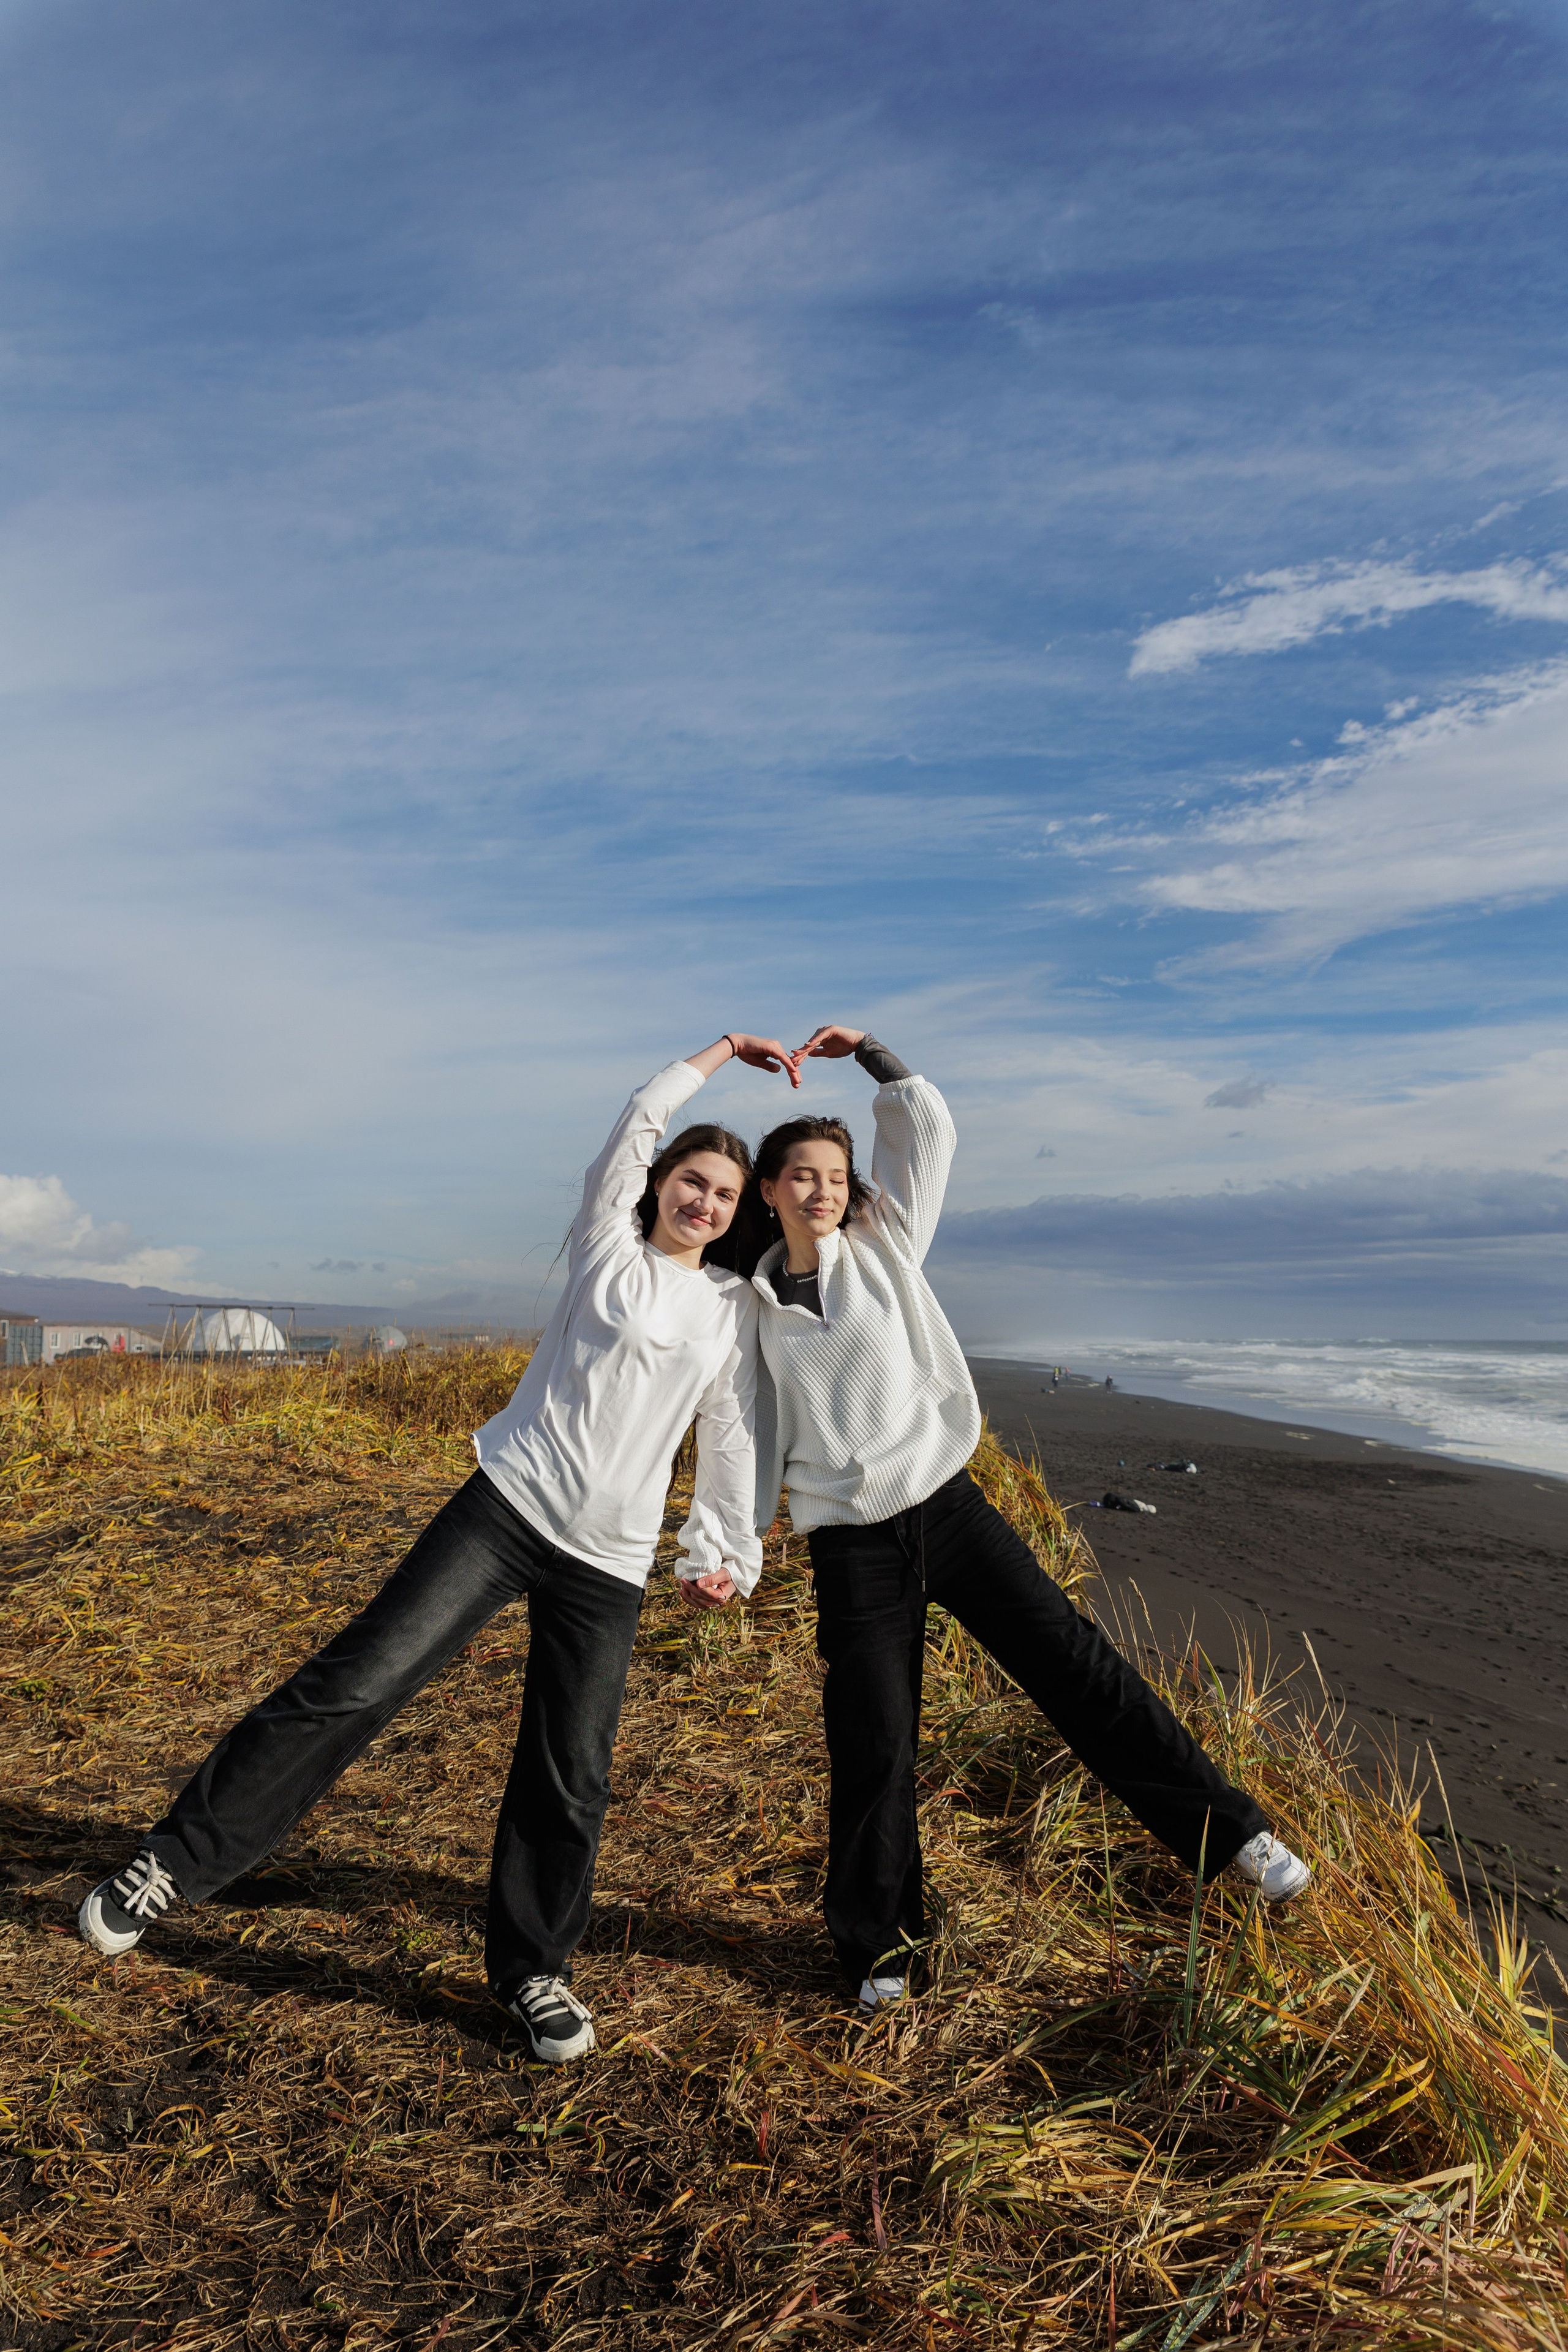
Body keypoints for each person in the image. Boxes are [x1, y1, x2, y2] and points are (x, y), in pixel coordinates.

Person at [78, 1031, 799, 2064]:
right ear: (658, 1186)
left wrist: (718, 1548)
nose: (708, 1203)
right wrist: (722, 1051)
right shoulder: (607, 1244)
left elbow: (734, 1436)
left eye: (726, 1196)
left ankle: (534, 1970)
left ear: (739, 1213)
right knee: (359, 1683)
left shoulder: (729, 1310)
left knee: (571, 1771)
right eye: (694, 1180)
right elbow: (629, 1129)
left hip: (608, 1557)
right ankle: (169, 1865)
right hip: (507, 1505)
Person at [748, 1025, 1311, 2013]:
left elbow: (929, 1130)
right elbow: (741, 1430)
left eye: (835, 1173)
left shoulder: (887, 1248)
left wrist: (872, 1051)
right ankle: (881, 1947)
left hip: (950, 1507)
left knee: (1079, 1669)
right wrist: (732, 1541)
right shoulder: (749, 1304)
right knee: (874, 1738)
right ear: (769, 1190)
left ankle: (1237, 1840)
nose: (822, 1190)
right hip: (851, 1545)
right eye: (801, 1175)